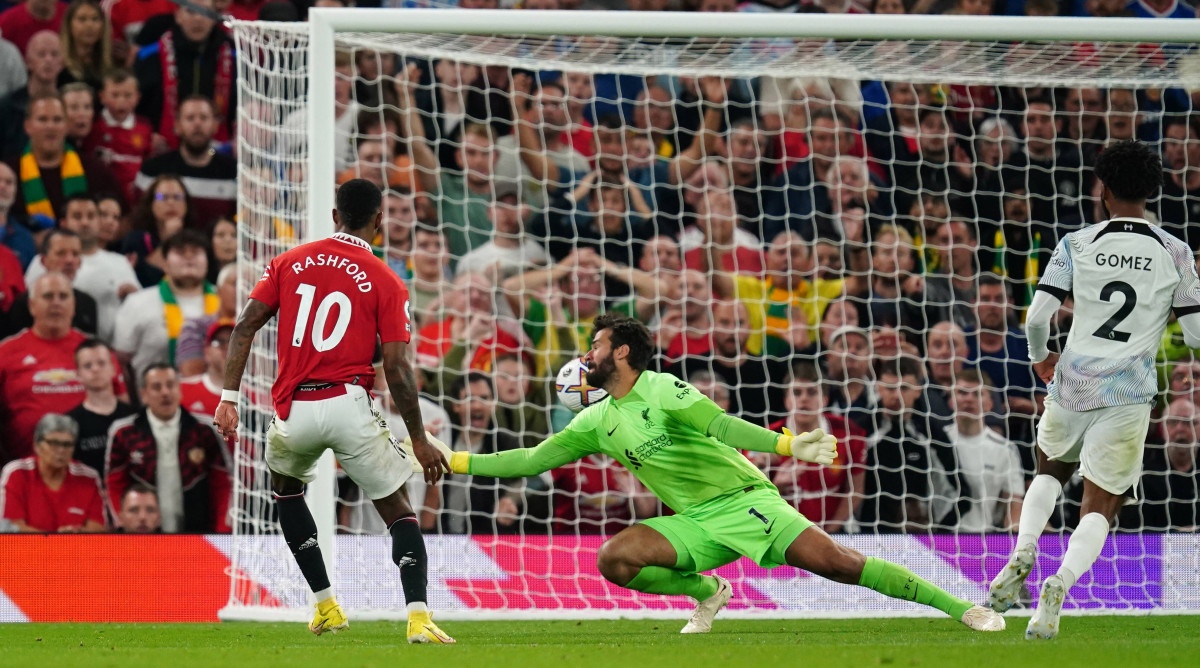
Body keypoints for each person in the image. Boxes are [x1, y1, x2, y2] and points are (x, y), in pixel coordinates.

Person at [413, 313, 1004, 634]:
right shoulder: (597, 420)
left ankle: (962, 609)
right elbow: (527, 459)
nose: (584, 355)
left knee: (841, 566)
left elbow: (721, 427)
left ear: (620, 353)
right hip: (694, 521)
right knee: (615, 560)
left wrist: (789, 444)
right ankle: (710, 592)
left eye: (594, 345)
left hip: (747, 499)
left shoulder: (662, 388)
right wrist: (450, 457)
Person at [213, 179, 455, 642]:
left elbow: (243, 327)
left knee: (286, 493)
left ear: (333, 215)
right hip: (348, 404)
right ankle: (419, 617)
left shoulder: (288, 261)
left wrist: (230, 397)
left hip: (294, 409)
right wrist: (419, 439)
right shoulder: (386, 278)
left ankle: (325, 605)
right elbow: (399, 368)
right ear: (379, 221)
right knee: (398, 510)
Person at [988, 140, 1200, 639]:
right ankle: (1059, 583)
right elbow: (1195, 336)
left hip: (1073, 380)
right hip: (1129, 392)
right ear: (1153, 190)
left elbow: (1037, 317)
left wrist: (1041, 359)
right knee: (1101, 506)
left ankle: (1023, 551)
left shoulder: (1075, 243)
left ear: (1102, 189)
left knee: (1048, 471)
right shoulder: (1176, 252)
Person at [0, 271, 125, 464]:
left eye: (63, 296)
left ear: (73, 306)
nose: (56, 303)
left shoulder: (98, 352)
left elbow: (122, 411)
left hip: (91, 469)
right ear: (32, 305)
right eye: (48, 296)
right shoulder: (6, 352)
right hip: (24, 470)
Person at [105, 363, 231, 533]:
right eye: (157, 387)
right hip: (144, 534)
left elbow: (223, 483)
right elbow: (114, 484)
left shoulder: (204, 430)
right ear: (144, 394)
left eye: (170, 385)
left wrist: (222, 528)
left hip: (197, 533)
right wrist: (122, 524)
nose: (165, 393)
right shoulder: (124, 432)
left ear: (179, 390)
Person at [23, 195, 139, 341]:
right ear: (63, 223)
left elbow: (137, 309)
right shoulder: (40, 262)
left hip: (105, 350)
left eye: (91, 216)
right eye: (77, 217)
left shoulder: (120, 262)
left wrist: (133, 295)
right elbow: (26, 305)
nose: (85, 223)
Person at [113, 229, 218, 384]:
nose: (189, 257)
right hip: (151, 400)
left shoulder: (226, 301)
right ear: (164, 264)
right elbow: (121, 360)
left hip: (216, 402)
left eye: (196, 252)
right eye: (180, 252)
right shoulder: (137, 302)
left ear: (207, 263)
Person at [939, 368, 1024, 533]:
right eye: (962, 393)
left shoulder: (1004, 449)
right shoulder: (936, 442)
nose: (969, 399)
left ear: (989, 404)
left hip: (981, 541)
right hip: (935, 539)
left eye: (977, 394)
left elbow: (1014, 502)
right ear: (951, 401)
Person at [133, 96, 237, 228]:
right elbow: (139, 219)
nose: (197, 124)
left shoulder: (232, 170)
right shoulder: (153, 169)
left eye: (204, 118)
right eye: (190, 118)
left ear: (215, 126)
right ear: (177, 126)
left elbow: (239, 219)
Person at [0, 413, 106, 532]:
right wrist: (55, 542)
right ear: (37, 446)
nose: (61, 450)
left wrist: (78, 535)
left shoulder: (89, 477)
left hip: (76, 549)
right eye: (54, 443)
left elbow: (98, 528)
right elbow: (11, 528)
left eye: (67, 444)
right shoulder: (17, 473)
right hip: (27, 549)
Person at [3, 228, 98, 338]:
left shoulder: (88, 304)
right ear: (44, 260)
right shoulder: (22, 304)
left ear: (80, 262)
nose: (69, 260)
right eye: (61, 253)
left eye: (75, 254)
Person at [85, 68, 154, 206]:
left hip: (135, 200)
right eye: (115, 95)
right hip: (101, 199)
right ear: (102, 97)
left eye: (128, 95)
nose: (121, 101)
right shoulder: (93, 126)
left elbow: (149, 162)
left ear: (138, 98)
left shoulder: (144, 127)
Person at [67, 338, 136, 475]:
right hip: (89, 493)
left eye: (101, 363)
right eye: (87, 366)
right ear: (78, 375)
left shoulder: (134, 417)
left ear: (113, 369)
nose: (95, 369)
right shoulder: (70, 423)